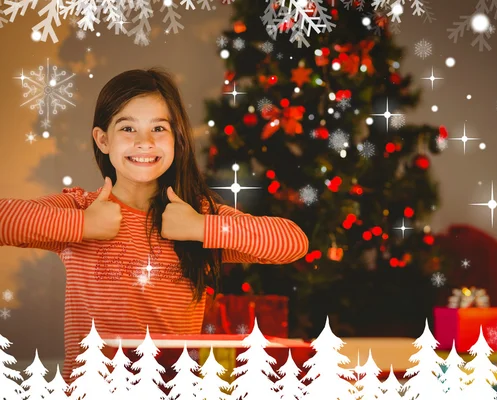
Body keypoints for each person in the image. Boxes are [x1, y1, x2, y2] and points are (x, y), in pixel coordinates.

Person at [0, 67, 309, 384]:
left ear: (176, 138)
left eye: (159, 128)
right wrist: (83, 224)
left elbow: (292, 242)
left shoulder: (195, 215)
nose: (144, 142)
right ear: (103, 140)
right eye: (128, 129)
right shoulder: (81, 207)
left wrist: (200, 228)